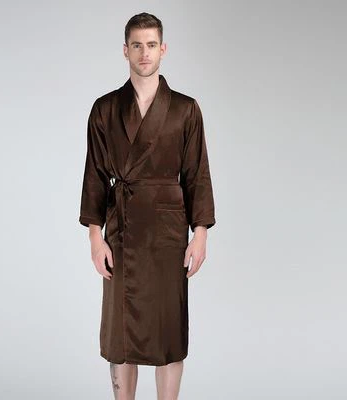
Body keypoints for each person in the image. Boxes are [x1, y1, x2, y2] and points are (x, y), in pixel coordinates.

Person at [78, 12, 216, 400]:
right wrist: (95, 238)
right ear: (125, 50)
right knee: (120, 336)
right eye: (137, 45)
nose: (144, 53)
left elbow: (197, 173)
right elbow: (94, 175)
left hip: (168, 235)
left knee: (168, 331)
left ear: (163, 49)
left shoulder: (185, 109)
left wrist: (200, 234)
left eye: (151, 45)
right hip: (121, 232)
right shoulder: (105, 108)